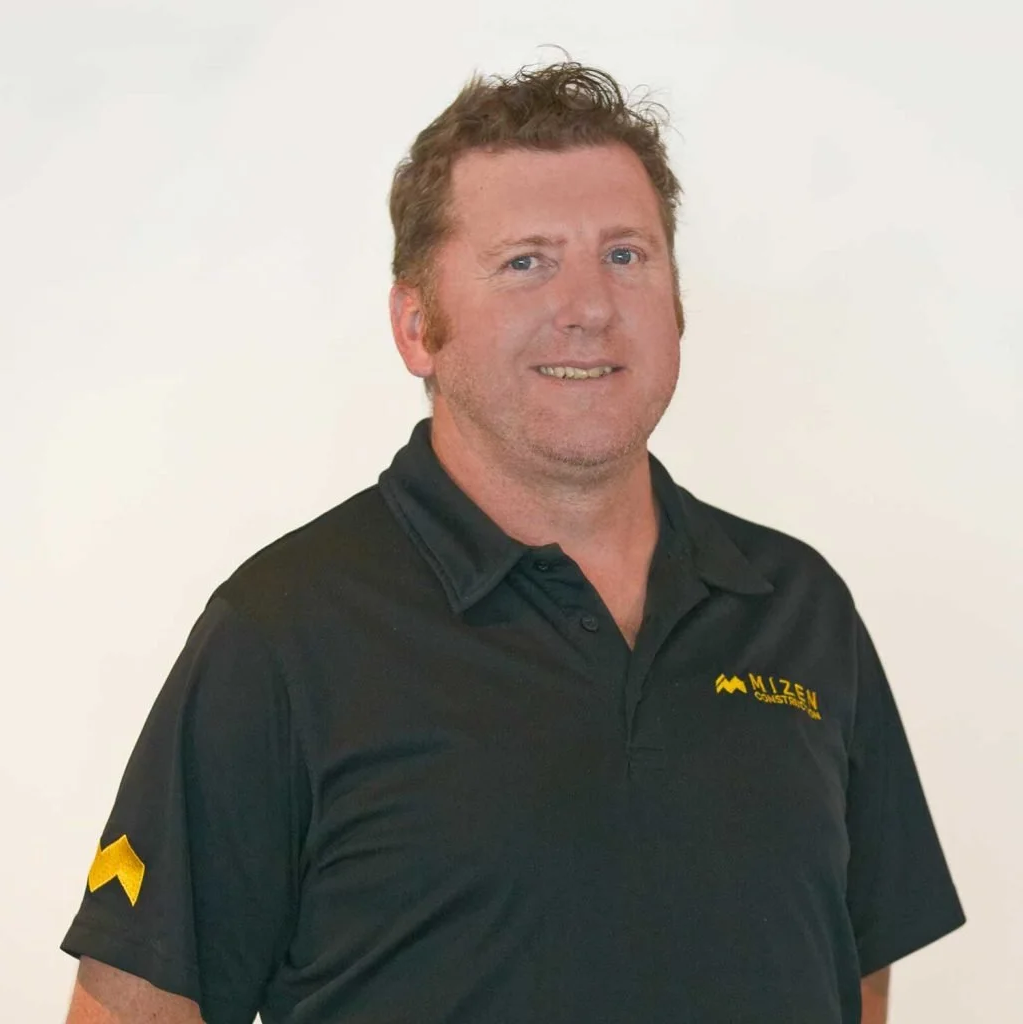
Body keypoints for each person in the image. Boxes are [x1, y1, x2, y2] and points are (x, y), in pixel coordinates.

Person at [62, 60, 964, 1024]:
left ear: (677, 302)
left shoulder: (796, 606)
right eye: (527, 260)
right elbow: (131, 1011)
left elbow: (855, 981)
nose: (588, 304)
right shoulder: (285, 632)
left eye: (627, 255)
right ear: (417, 327)